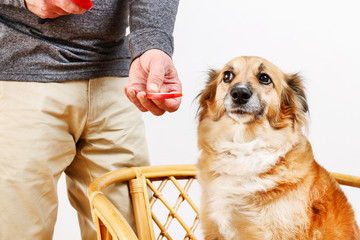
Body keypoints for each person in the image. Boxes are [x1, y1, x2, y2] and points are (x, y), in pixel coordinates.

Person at [0, 0, 181, 239]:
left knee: (129, 231)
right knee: (18, 231)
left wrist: (152, 45)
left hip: (117, 78)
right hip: (22, 74)